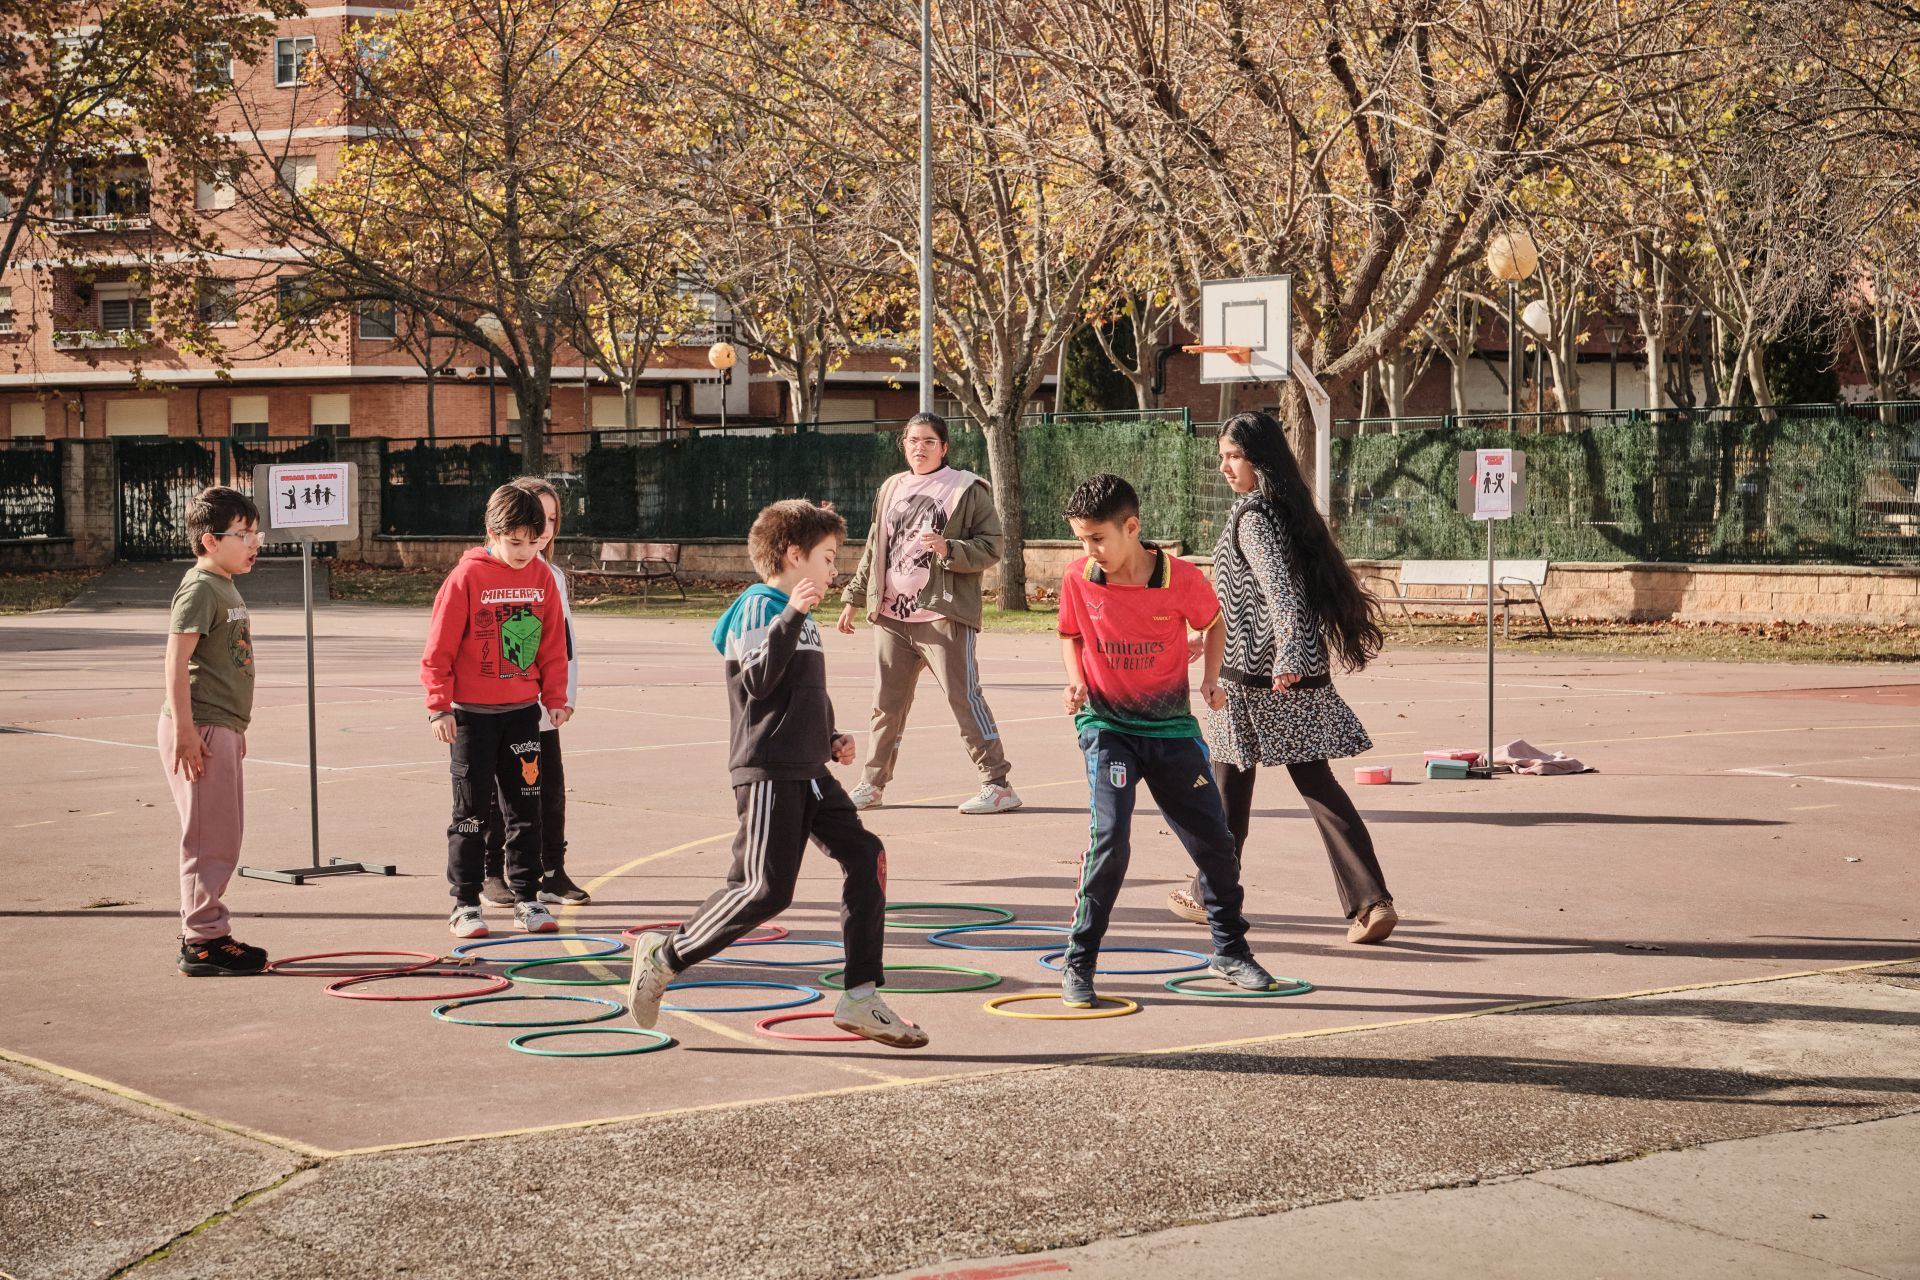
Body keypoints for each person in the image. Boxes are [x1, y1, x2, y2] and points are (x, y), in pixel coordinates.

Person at [629, 499, 927, 1048]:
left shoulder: (800, 616)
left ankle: (861, 995)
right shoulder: (757, 607)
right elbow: (759, 681)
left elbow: (804, 691)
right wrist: (790, 615)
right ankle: (664, 956)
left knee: (867, 856)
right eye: (828, 558)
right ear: (794, 555)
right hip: (768, 770)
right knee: (764, 890)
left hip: (809, 769)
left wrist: (829, 736)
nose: (835, 570)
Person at [1056, 473, 1283, 1008]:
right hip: (1107, 728)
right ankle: (1079, 961)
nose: (1089, 550)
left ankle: (1231, 951)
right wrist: (1076, 680)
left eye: (1097, 538)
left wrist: (1211, 678)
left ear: (1131, 527)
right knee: (1110, 841)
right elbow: (1070, 634)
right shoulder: (1078, 577)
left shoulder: (1180, 578)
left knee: (1217, 843)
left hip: (1171, 729)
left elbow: (1214, 622)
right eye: (1081, 539)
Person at [1177, 409, 1398, 944]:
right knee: (1307, 783)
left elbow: (1281, 592)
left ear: (1261, 459)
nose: (1225, 467)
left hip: (1256, 678)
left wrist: (1288, 657)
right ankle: (1371, 901)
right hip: (1274, 670)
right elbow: (1250, 598)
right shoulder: (1284, 510)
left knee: (1230, 788)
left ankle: (1210, 894)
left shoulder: (1253, 517)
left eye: (1234, 456)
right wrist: (1207, 638)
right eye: (1222, 457)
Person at [837, 411, 1021, 816]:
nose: (919, 447)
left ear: (944, 447)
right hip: (892, 616)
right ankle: (872, 784)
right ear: (903, 444)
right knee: (886, 704)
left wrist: (949, 548)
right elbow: (875, 548)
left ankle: (998, 784)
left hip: (942, 614)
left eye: (928, 441)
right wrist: (854, 596)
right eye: (912, 440)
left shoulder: (966, 488)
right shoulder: (891, 488)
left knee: (963, 698)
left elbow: (993, 545)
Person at [421, 484, 572, 940]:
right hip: (471, 717)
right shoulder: (466, 577)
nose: (525, 552)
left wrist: (555, 697)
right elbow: (439, 648)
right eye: (515, 542)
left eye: (533, 541)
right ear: (492, 532)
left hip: (523, 713)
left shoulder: (542, 577)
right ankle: (466, 903)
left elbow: (552, 644)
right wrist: (438, 707)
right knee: (470, 812)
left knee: (526, 809)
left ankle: (527, 897)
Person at [161, 487, 269, 976]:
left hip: (219, 726)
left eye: (255, 534)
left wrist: (234, 727)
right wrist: (187, 731)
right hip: (199, 728)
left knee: (224, 834)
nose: (253, 543)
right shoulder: (201, 587)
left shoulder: (224, 583)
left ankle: (209, 931)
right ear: (210, 540)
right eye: (243, 535)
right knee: (208, 838)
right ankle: (202, 941)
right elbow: (175, 661)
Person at [480, 476, 588, 908]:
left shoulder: (552, 575)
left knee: (548, 789)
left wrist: (564, 694)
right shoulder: (485, 574)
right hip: (502, 703)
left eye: (552, 519)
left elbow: (562, 643)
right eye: (537, 517)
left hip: (543, 704)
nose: (544, 528)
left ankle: (551, 870)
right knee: (498, 793)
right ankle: (492, 871)